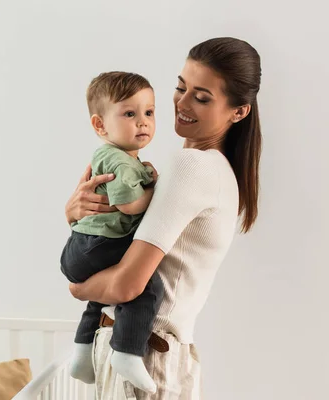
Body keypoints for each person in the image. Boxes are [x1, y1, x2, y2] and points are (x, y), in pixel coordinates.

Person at [65, 37, 262, 399]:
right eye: (180, 87)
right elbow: (122, 237)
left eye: (202, 97)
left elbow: (127, 286)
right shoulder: (215, 170)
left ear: (238, 112)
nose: (182, 104)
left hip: (145, 351)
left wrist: (77, 287)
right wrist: (75, 212)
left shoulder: (191, 167)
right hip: (155, 353)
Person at [59, 71, 163, 394]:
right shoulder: (119, 160)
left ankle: (80, 353)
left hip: (81, 247)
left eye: (149, 112)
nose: (143, 122)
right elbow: (130, 205)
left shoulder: (115, 157)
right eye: (130, 114)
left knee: (101, 298)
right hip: (100, 244)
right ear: (100, 125)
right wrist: (155, 192)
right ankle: (128, 352)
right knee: (146, 286)